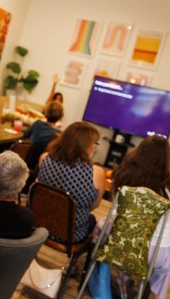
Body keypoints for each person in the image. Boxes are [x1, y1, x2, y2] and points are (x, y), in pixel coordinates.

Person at [111, 135, 170, 299]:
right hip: (154, 254)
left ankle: (123, 278)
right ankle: (144, 292)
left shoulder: (122, 177)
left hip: (119, 243)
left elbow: (115, 211)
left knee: (104, 229)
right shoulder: (167, 189)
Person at [37, 121, 106, 243]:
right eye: (94, 144)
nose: (94, 148)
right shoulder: (97, 173)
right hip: (70, 235)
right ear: (85, 146)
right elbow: (94, 205)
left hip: (40, 225)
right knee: (92, 220)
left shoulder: (45, 158)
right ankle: (73, 260)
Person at [23, 101, 64, 170]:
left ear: (45, 112)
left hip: (27, 160)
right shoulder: (60, 135)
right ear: (60, 116)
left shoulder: (38, 124)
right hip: (42, 167)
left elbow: (24, 136)